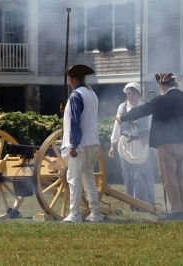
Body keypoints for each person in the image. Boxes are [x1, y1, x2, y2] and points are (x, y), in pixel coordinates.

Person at [115, 73, 183, 220]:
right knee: (181, 178)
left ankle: (176, 211)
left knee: (169, 178)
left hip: (167, 143)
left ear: (162, 85)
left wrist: (123, 117)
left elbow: (143, 110)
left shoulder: (161, 100)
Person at [61, 64, 104, 223]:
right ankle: (96, 213)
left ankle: (75, 214)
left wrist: (74, 145)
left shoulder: (76, 95)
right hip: (93, 143)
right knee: (88, 178)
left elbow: (75, 122)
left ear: (72, 79)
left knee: (73, 179)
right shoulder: (91, 94)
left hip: (80, 144)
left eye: (69, 79)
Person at [109, 82, 156, 207]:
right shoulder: (122, 107)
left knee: (143, 174)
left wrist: (149, 139)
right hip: (126, 145)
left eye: (132, 93)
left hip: (142, 145)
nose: (130, 96)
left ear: (138, 94)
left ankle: (146, 203)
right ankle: (132, 204)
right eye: (128, 93)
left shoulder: (145, 107)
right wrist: (113, 145)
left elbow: (151, 125)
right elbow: (117, 127)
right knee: (128, 175)